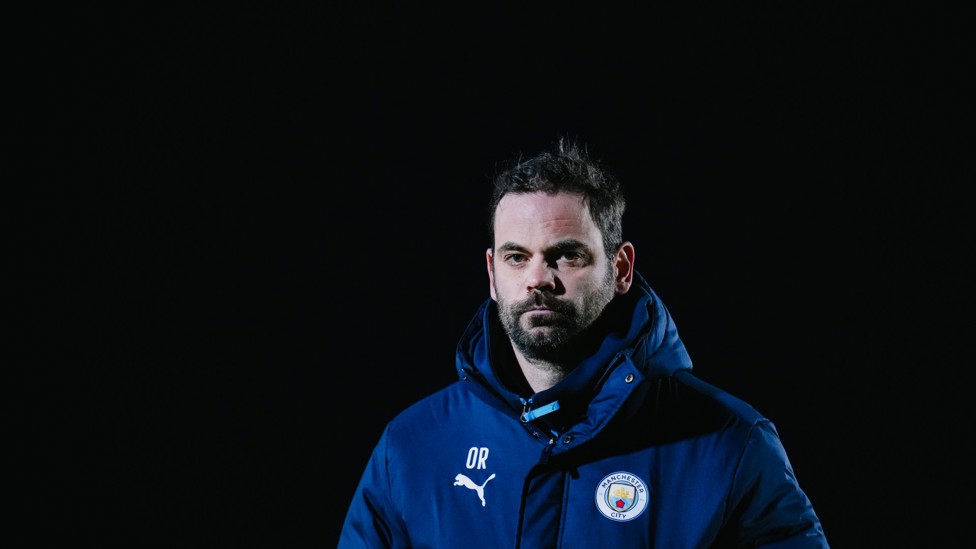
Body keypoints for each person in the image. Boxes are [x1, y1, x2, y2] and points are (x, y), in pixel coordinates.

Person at [338, 138, 828, 547]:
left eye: (566, 255)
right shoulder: (411, 448)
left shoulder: (730, 444)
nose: (538, 279)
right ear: (491, 273)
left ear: (620, 268)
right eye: (516, 257)